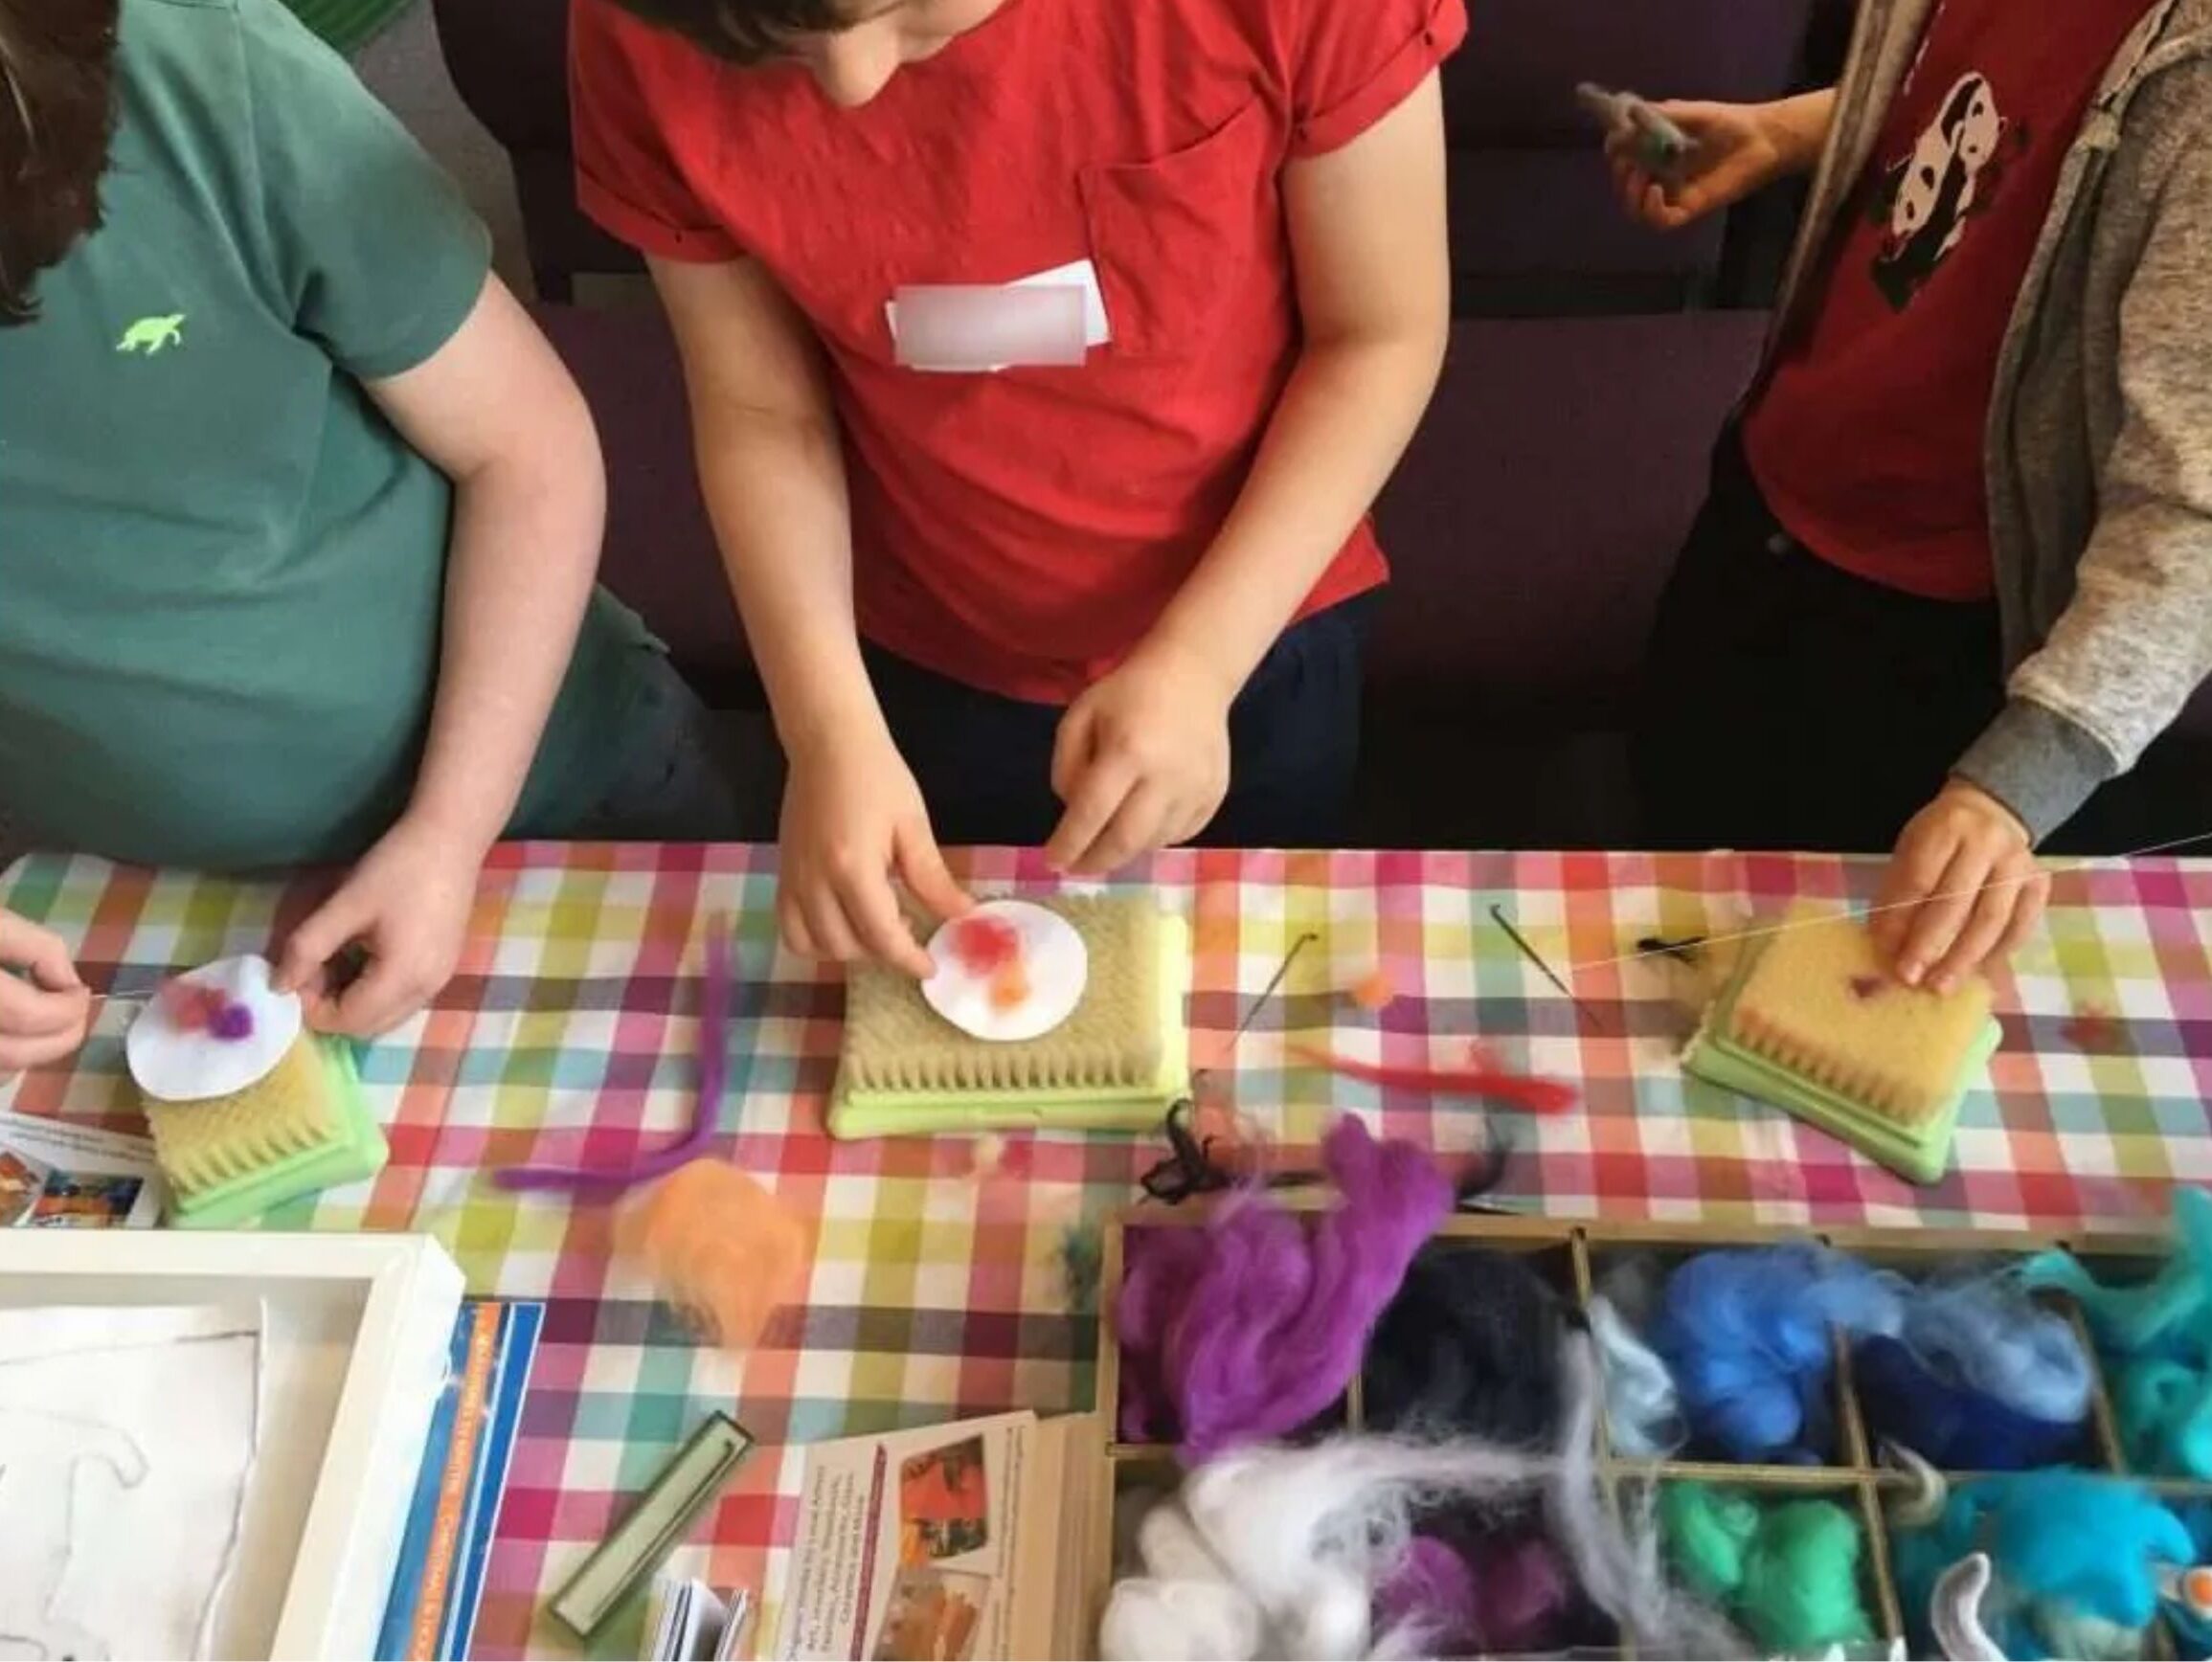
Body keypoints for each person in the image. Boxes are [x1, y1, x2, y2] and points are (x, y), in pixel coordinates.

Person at [569, 0, 1458, 975]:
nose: (853, 86)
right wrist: (826, 729)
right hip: (918, 643)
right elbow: (762, 409)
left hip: (1262, 618)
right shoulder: (642, 25)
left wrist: (1203, 661)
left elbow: (1380, 333)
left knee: (1247, 972)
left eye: (907, 12)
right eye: (774, 46)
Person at [0, 0, 749, 1048]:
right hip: (134, 882)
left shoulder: (206, 71)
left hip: (549, 775)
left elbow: (524, 445)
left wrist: (447, 833)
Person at [1615, 0, 2212, 994]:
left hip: (1947, 658)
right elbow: (2003, 105)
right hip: (1766, 517)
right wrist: (1799, 130)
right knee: (1681, 918)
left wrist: (2019, 779)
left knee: (1833, 1019)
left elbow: (2191, 509)